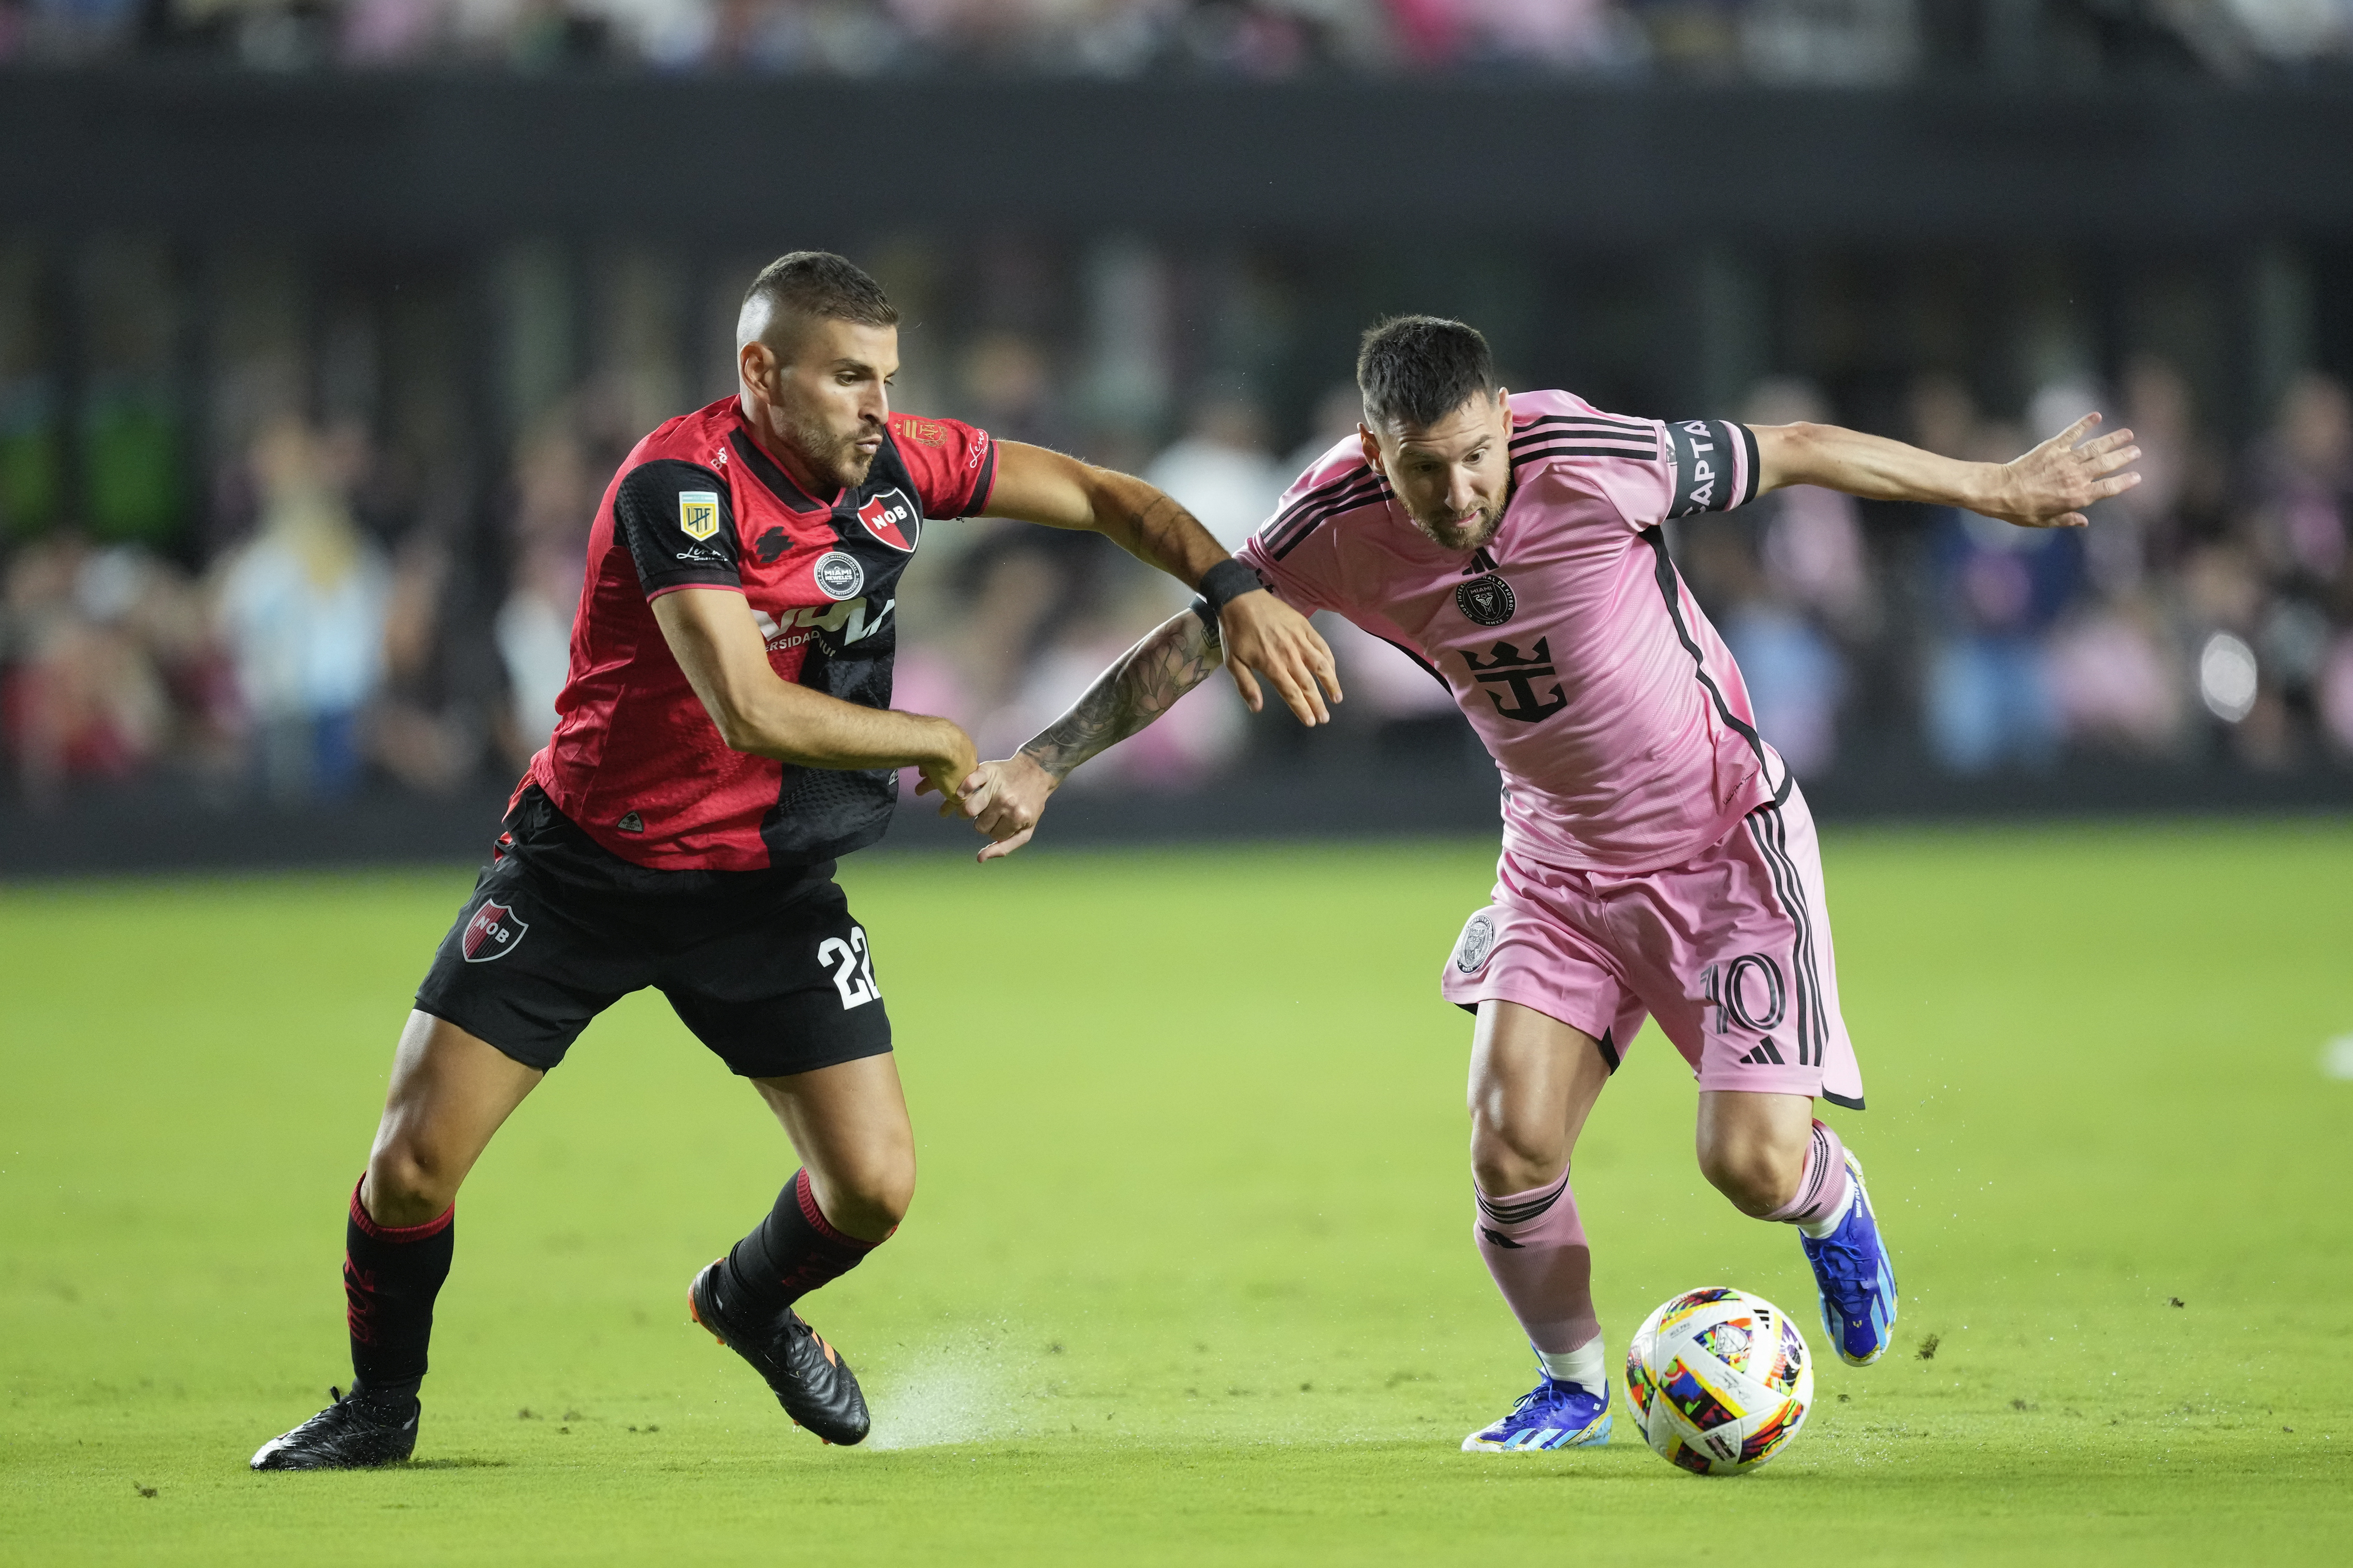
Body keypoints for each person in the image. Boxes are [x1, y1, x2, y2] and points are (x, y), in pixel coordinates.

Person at [953, 315, 2138, 1453]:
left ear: (1504, 422)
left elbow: (1798, 450)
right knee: (1508, 1146)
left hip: (1724, 845)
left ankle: (1827, 1198)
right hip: (1558, 866)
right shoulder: (1327, 523)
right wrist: (1044, 761)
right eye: (1427, 469)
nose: (1462, 490)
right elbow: (1199, 634)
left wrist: (1993, 488)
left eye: (1478, 455)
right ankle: (1567, 1386)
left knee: (1749, 1167)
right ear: (1374, 453)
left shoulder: (1587, 455)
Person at [249, 252, 1337, 1470]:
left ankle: (746, 1303)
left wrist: (1231, 585)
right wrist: (931, 735)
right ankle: (379, 1409)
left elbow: (1096, 495)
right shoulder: (679, 484)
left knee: (872, 1189)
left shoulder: (902, 462)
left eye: (888, 377)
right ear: (760, 373)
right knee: (409, 1168)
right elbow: (746, 709)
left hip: (765, 893)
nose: (879, 406)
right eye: (848, 378)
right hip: (585, 873)